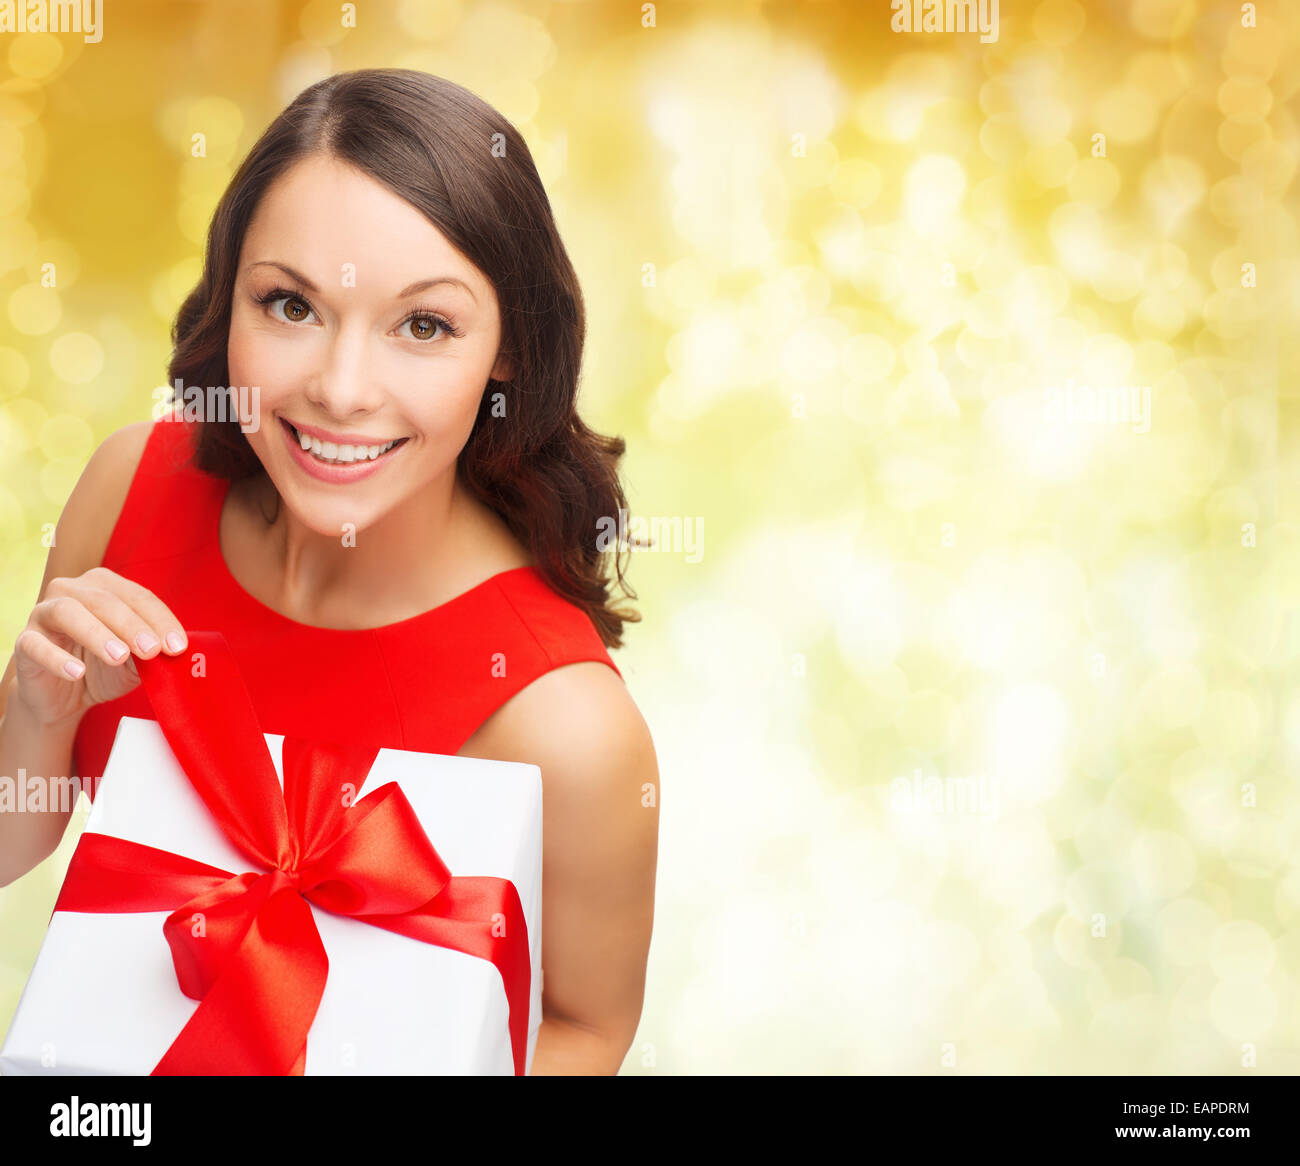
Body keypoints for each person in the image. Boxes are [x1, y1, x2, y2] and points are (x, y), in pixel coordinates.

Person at [0, 69, 659, 1075]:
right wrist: (35, 711)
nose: (341, 389)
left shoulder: (563, 723)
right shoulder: (130, 486)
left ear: (510, 354)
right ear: (228, 304)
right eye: (289, 304)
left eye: (424, 325)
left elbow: (584, 1027)